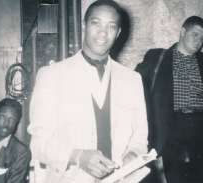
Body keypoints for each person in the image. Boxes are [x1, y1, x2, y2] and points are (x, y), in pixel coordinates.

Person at [27, 0, 148, 182]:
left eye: (111, 26)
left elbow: (140, 139)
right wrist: (77, 156)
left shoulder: (132, 80)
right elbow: (38, 144)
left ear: (118, 33)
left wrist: (132, 155)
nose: (103, 32)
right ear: (84, 26)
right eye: (96, 23)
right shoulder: (51, 76)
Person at [136, 16, 203, 183]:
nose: (199, 41)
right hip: (171, 132)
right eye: (195, 34)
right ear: (183, 32)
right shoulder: (157, 58)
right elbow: (136, 92)